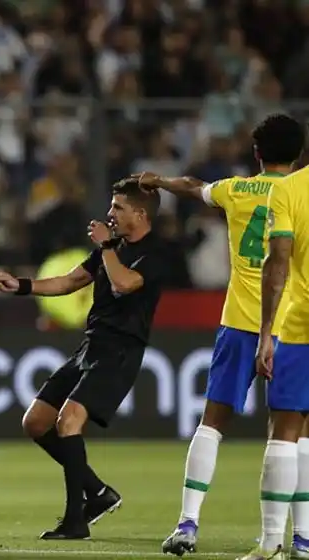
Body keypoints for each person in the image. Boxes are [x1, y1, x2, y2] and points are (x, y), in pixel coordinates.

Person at [120, 114, 306, 557]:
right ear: (298, 154)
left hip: (242, 322)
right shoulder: (299, 193)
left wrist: (157, 180)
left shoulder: (237, 189)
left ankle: (187, 523)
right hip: (294, 326)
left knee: (212, 424)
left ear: (257, 154)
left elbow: (192, 184)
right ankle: (298, 538)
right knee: (294, 433)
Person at [0, 181, 163, 540]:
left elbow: (124, 284)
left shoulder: (155, 253)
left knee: (69, 420)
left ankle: (75, 522)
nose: (110, 214)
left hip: (120, 351)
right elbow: (71, 281)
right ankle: (98, 493)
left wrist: (104, 246)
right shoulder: (112, 248)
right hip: (91, 346)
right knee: (36, 421)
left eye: (118, 207)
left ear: (140, 214)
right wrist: (22, 286)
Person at [250, 129, 309, 560]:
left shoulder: (289, 190)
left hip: (302, 325)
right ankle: (305, 540)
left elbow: (278, 262)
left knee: (286, 430)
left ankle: (272, 542)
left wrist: (266, 331)